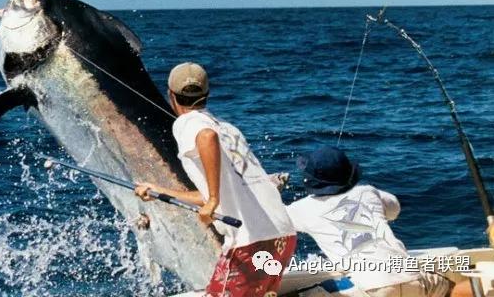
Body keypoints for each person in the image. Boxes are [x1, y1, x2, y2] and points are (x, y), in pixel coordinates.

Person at [134, 62, 296, 297]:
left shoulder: (189, 124)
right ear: (206, 94)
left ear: (171, 95)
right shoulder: (228, 129)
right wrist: (159, 191)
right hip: (283, 236)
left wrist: (212, 200)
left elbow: (206, 138)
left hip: (250, 243)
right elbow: (209, 192)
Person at [286, 146, 453, 297]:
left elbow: (273, 222)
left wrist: (271, 188)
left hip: (369, 288)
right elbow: (394, 209)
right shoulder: (367, 192)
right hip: (412, 279)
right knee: (449, 287)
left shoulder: (301, 209)